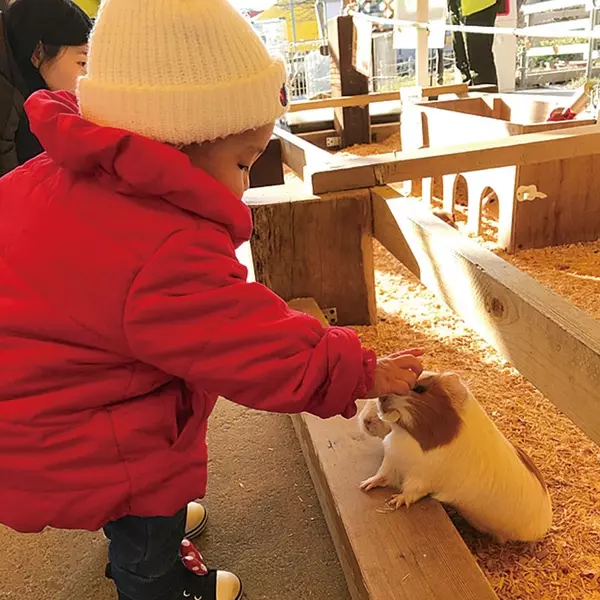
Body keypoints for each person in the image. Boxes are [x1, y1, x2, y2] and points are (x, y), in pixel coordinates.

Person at [0, 1, 425, 600]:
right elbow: (252, 343)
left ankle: (136, 536)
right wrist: (360, 369)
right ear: (176, 143)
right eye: (244, 162)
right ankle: (156, 578)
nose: (246, 184)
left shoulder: (64, 173)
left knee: (130, 505)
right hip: (87, 429)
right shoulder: (160, 243)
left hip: (47, 400)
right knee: (148, 505)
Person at [0, 0, 91, 177]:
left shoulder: (28, 87)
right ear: (38, 53)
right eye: (82, 63)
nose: (86, 77)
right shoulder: (5, 100)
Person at [449, 0, 501, 85]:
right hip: (456, 6)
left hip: (478, 7)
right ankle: (469, 94)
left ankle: (485, 95)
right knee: (462, 61)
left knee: (479, 62)